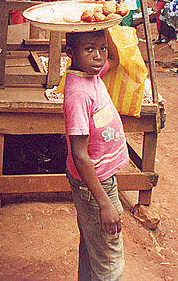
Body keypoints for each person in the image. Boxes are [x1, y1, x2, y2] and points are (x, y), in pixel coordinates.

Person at [64, 29, 129, 280]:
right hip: (95, 186)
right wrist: (105, 204)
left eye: (101, 48)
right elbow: (80, 155)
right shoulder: (79, 93)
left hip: (99, 180)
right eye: (89, 49)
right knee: (110, 263)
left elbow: (115, 59)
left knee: (94, 250)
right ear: (71, 53)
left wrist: (106, 27)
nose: (99, 56)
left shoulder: (90, 74)